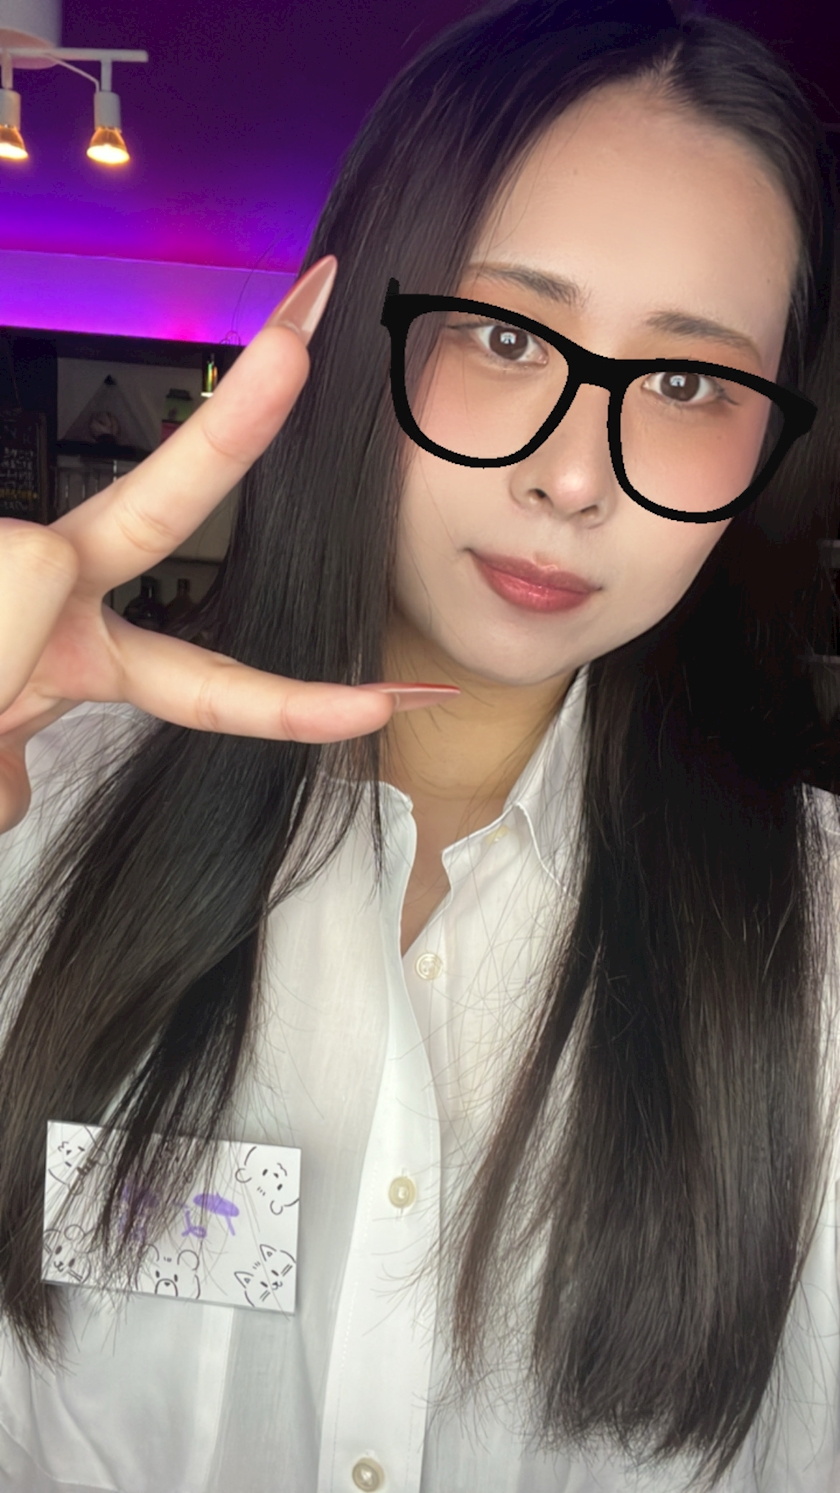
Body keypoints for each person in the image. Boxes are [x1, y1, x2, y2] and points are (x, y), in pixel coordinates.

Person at [0, 0, 839, 1488]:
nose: (574, 477)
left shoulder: (816, 946)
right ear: (349, 328)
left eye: (689, 383)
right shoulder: (35, 825)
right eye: (505, 335)